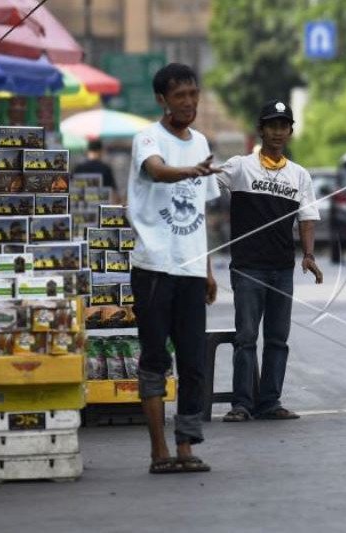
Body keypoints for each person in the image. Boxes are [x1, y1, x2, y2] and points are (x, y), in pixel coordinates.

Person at [127, 63, 220, 474]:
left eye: (193, 95)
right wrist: (190, 170)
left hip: (191, 269)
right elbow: (158, 171)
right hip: (153, 266)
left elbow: (201, 212)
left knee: (194, 361)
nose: (189, 103)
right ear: (162, 100)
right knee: (154, 359)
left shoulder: (201, 142)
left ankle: (186, 445)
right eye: (180, 96)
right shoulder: (146, 138)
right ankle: (158, 450)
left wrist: (209, 268)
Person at [215, 99, 323, 422]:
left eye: (283, 126)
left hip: (281, 269)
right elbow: (205, 185)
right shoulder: (239, 167)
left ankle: (269, 402)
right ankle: (241, 404)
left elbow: (307, 218)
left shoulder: (299, 176)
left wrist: (308, 255)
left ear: (290, 131)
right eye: (271, 126)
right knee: (246, 337)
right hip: (247, 267)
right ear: (261, 130)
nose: (277, 132)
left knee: (277, 339)